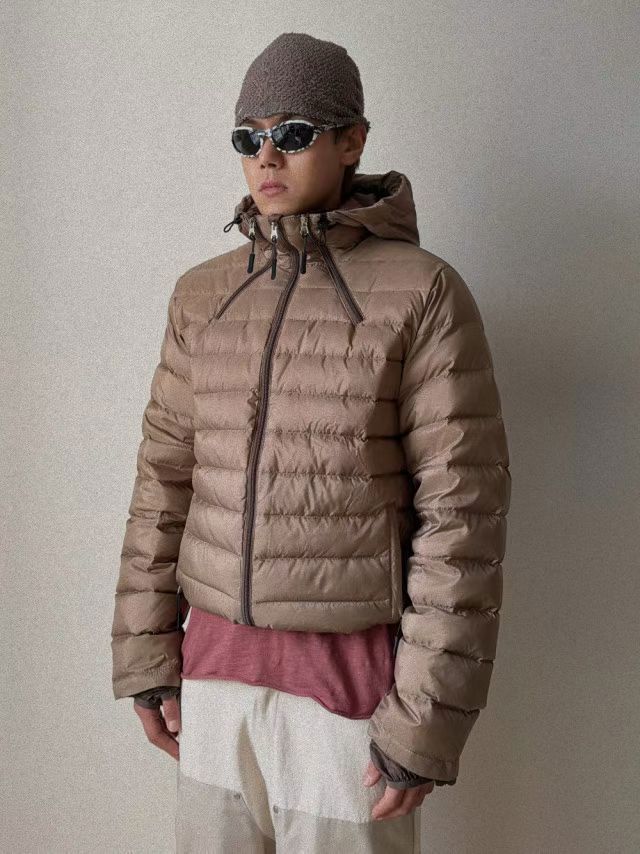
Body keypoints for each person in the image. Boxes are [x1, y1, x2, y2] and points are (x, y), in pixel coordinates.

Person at [111, 31, 511, 853]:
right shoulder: (202, 296)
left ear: (351, 139)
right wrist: (147, 654)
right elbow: (163, 485)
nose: (267, 155)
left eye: (292, 132)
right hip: (213, 686)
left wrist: (426, 719)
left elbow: (461, 521)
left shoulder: (422, 293)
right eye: (248, 136)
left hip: (349, 705)